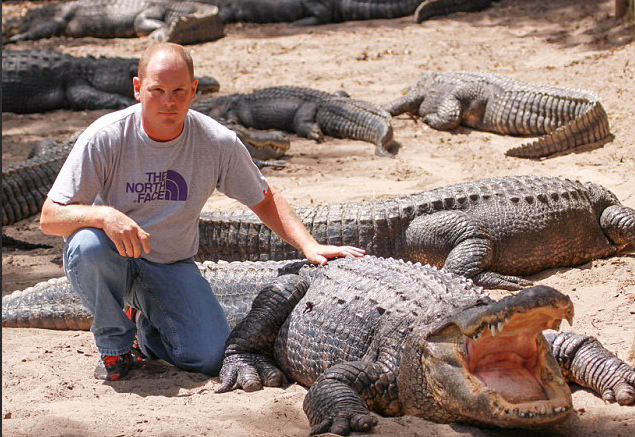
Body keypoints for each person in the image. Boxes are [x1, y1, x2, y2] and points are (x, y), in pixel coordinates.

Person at [39, 42, 365, 381]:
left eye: (179, 90)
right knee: (86, 245)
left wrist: (308, 245)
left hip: (169, 263)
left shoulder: (216, 141)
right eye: (157, 90)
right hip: (113, 256)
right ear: (138, 88)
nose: (169, 101)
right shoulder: (105, 137)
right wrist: (104, 216)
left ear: (193, 89)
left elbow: (264, 198)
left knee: (209, 358)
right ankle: (114, 346)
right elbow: (50, 217)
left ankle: (144, 332)